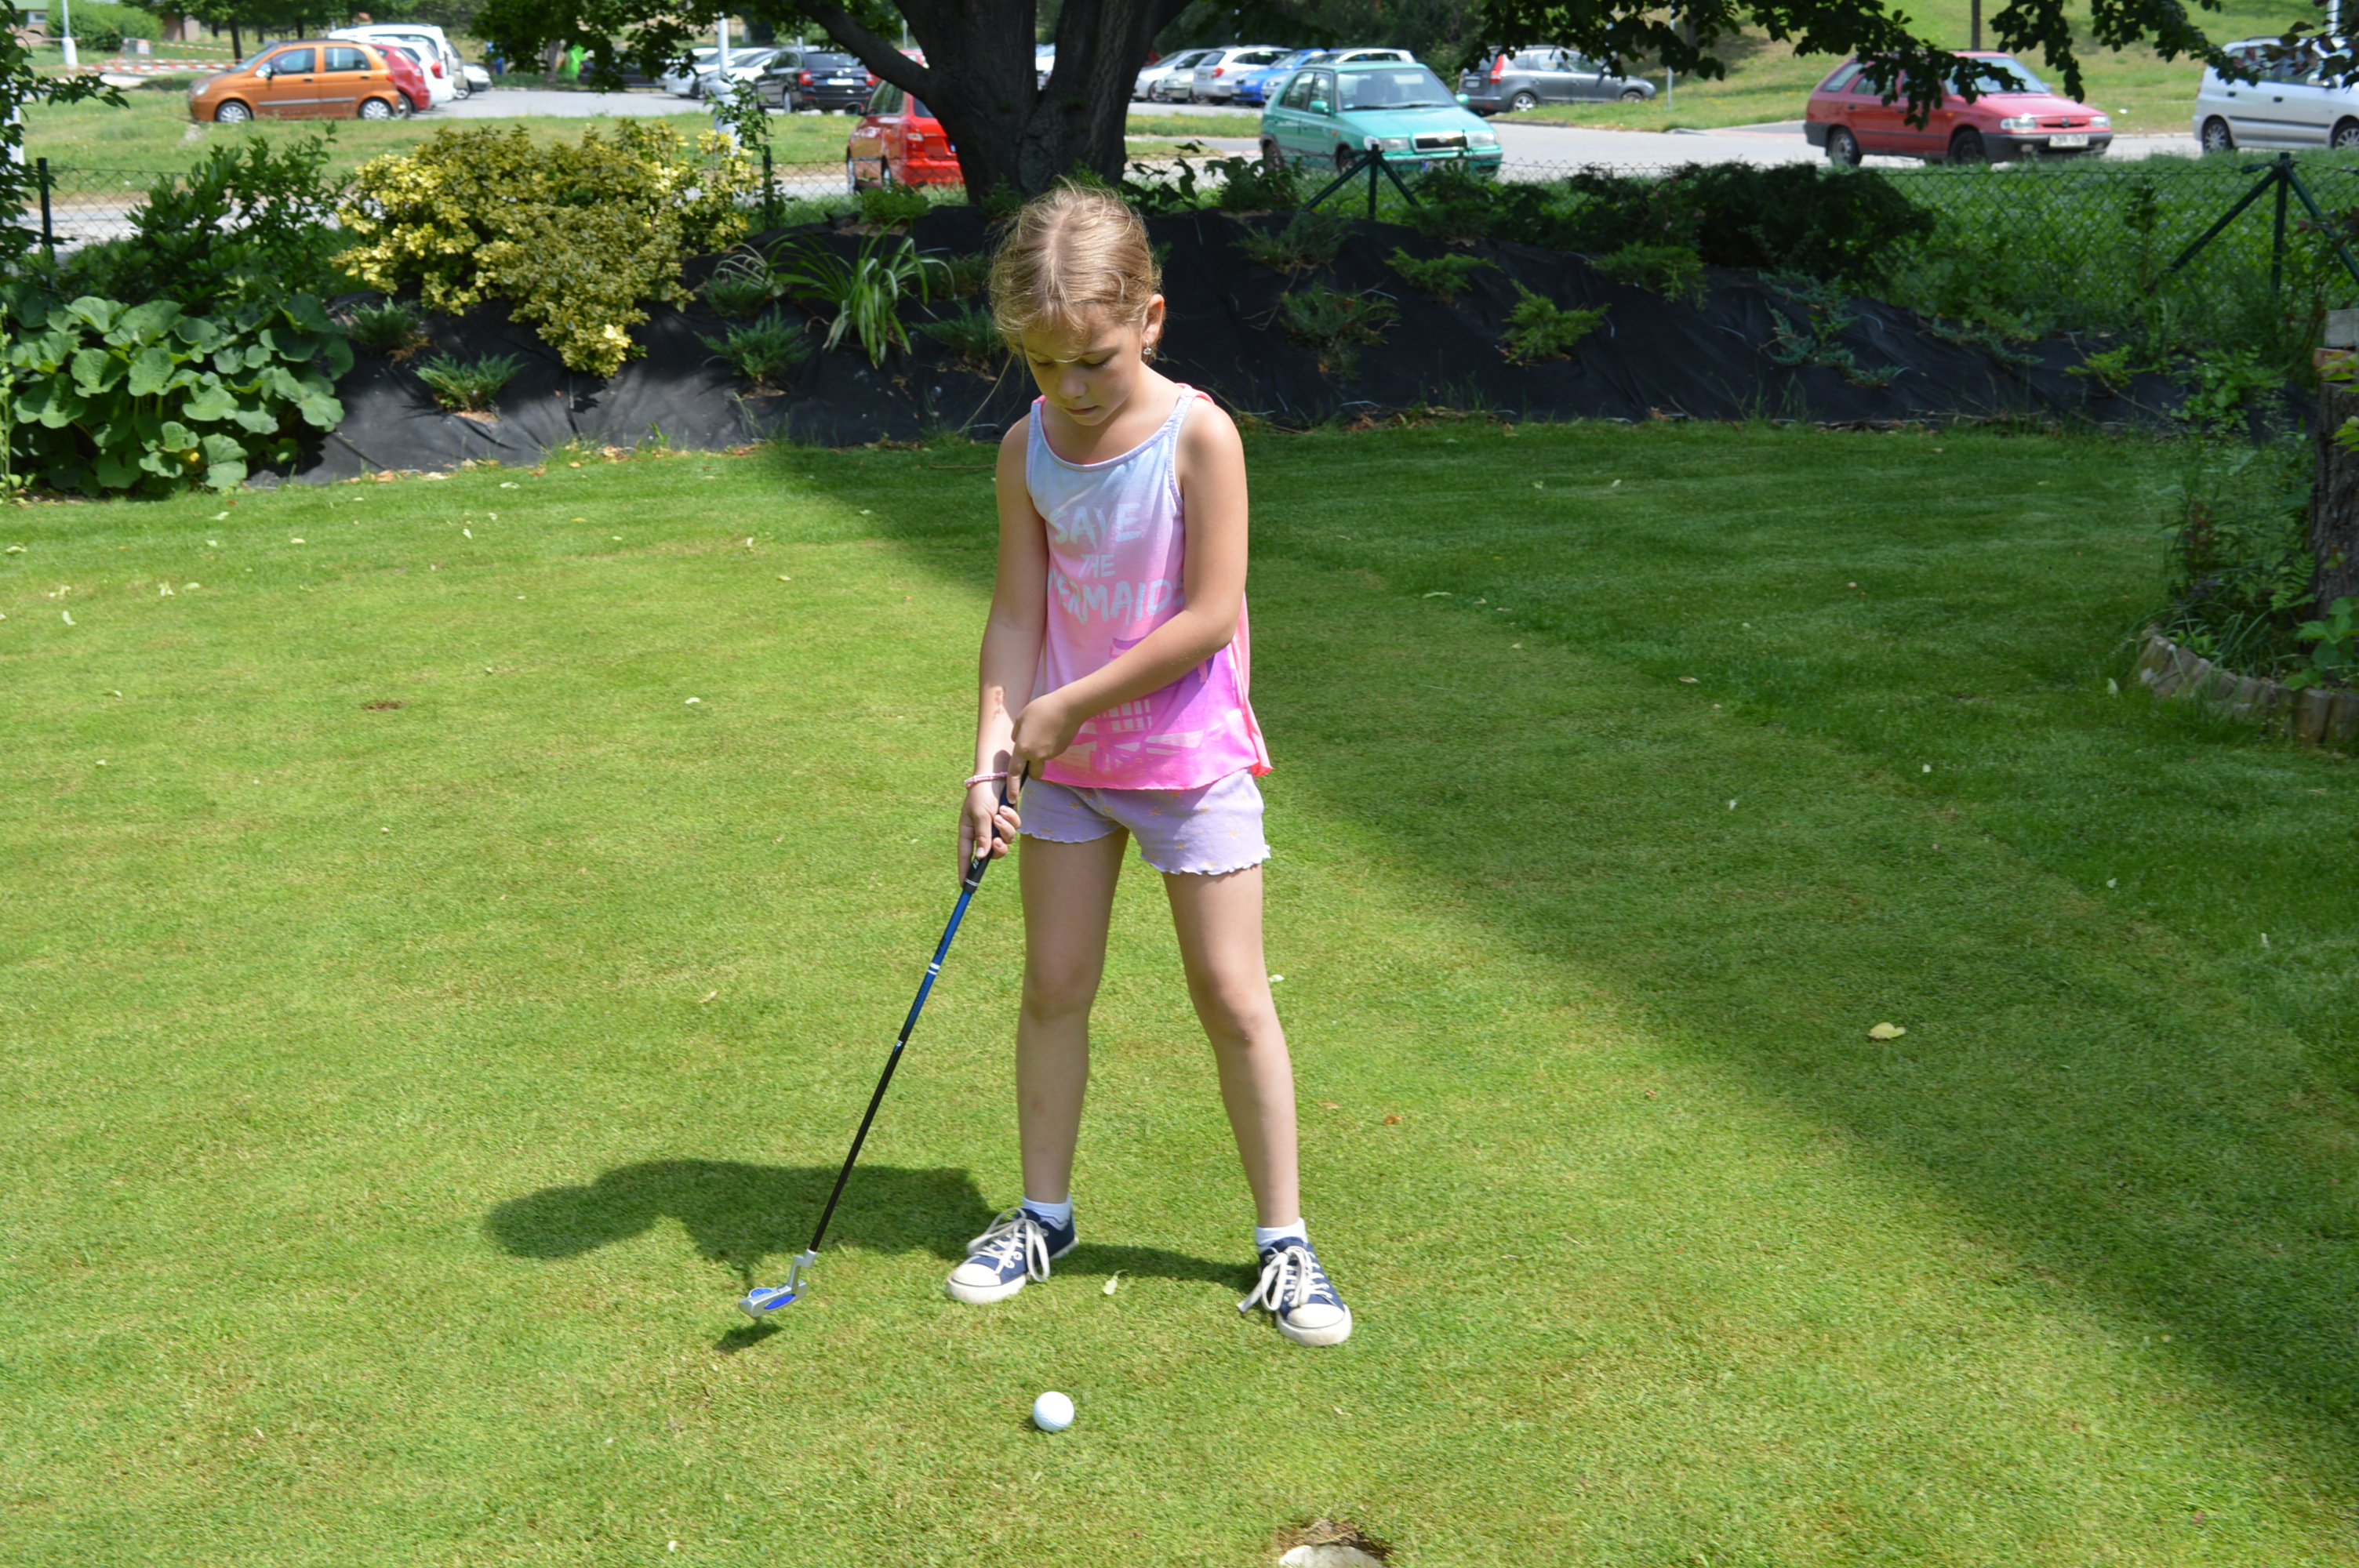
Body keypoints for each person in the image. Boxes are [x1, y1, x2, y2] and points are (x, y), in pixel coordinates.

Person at [951, 184, 1350, 1347]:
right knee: (1054, 985)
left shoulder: (1200, 437)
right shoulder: (1027, 446)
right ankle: (1043, 1215)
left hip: (1188, 759)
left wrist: (1066, 705)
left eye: (1095, 360)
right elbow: (1016, 616)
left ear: (1152, 319)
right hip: (1065, 773)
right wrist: (989, 758)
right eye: (1043, 364)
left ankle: (1284, 1241)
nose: (1071, 388)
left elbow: (1210, 616)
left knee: (1231, 995)